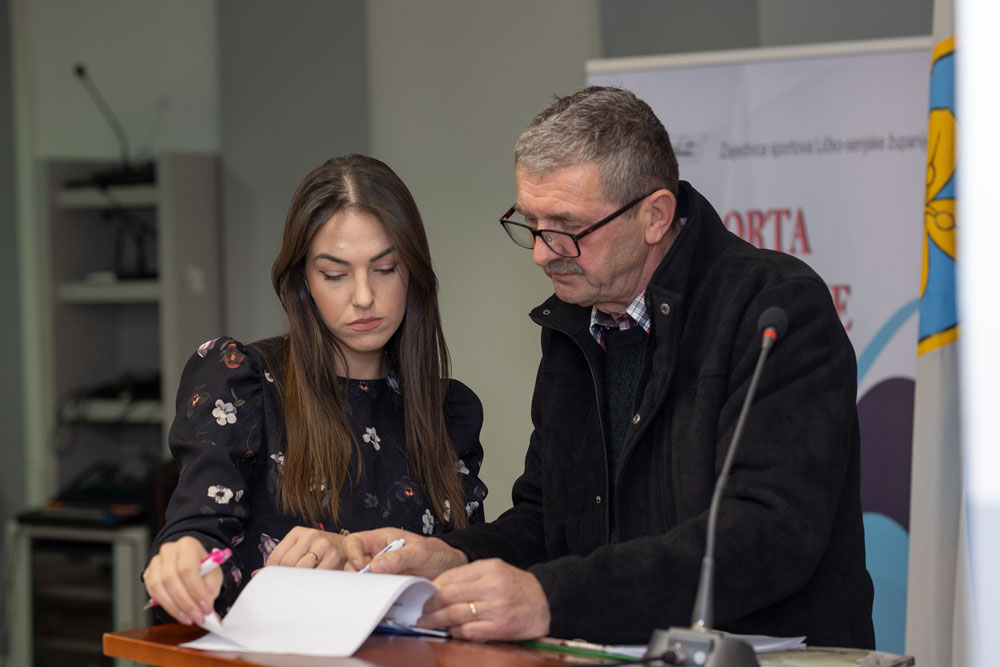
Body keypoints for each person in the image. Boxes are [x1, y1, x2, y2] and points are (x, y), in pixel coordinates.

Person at [343, 87, 875, 648]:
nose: (542, 253)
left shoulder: (774, 310)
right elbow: (547, 521)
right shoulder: (575, 323)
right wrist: (454, 556)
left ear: (655, 216)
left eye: (567, 227)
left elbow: (766, 536)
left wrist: (551, 599)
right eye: (531, 222)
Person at [142, 154, 488, 626]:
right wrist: (183, 557)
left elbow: (466, 573)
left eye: (386, 268)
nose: (363, 297)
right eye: (335, 275)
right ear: (302, 280)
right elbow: (197, 528)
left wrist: (358, 560)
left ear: (414, 273)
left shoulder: (447, 410)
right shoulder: (242, 382)